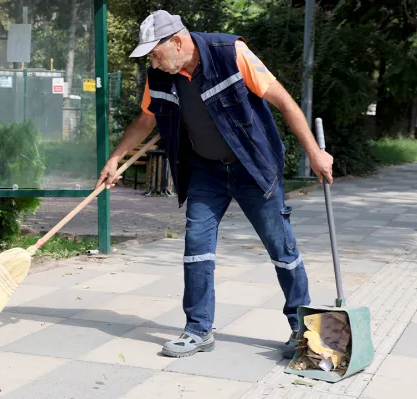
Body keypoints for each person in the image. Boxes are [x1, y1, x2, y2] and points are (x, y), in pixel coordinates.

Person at [96, 10, 334, 359]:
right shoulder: (161, 76)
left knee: (281, 250)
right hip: (206, 170)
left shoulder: (231, 53)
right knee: (197, 249)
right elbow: (146, 120)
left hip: (252, 166)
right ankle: (198, 329)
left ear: (176, 42)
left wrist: (314, 152)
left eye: (155, 52)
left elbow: (283, 101)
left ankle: (301, 327)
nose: (153, 61)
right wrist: (116, 158)